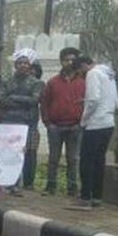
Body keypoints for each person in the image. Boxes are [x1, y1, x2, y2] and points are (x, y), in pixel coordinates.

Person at [69, 55, 118, 210]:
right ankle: (97, 196)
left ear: (84, 65)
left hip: (95, 124)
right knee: (99, 161)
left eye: (79, 71)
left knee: (86, 161)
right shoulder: (108, 74)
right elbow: (115, 101)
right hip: (108, 122)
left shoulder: (93, 74)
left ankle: (85, 197)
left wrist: (84, 119)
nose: (81, 75)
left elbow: (94, 100)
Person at [0, 49, 43, 195]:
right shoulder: (7, 81)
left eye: (25, 63)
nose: (23, 65)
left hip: (27, 122)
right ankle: (7, 182)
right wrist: (21, 101)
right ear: (16, 65)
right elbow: (1, 99)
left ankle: (19, 183)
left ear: (30, 66)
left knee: (22, 153)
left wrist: (13, 97)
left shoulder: (36, 83)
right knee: (7, 152)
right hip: (8, 121)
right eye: (20, 63)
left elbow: (34, 100)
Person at [40, 47, 84, 196]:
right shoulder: (52, 82)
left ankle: (72, 188)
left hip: (75, 126)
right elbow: (44, 103)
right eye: (66, 60)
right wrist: (47, 123)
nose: (69, 62)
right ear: (61, 61)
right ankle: (50, 186)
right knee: (53, 158)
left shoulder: (83, 82)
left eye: (72, 60)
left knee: (73, 159)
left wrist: (81, 122)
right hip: (55, 126)